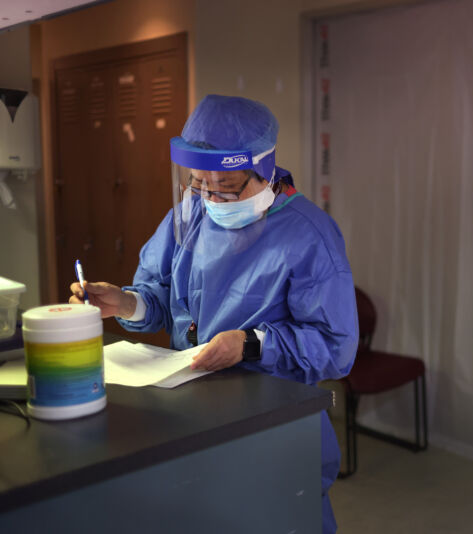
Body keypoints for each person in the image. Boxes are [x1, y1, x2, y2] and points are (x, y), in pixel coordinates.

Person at [69, 94, 358, 533]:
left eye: (225, 186)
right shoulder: (191, 214)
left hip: (272, 428)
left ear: (262, 170)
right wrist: (127, 302)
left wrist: (250, 344)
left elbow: (335, 347)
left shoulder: (309, 235)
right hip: (192, 415)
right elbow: (169, 299)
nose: (210, 198)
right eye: (198, 183)